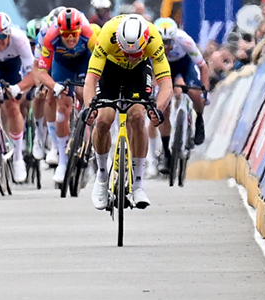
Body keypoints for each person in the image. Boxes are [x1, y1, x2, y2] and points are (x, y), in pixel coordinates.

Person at [82, 14, 172, 210]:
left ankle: (138, 183)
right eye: (127, 52)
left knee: (138, 117)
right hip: (110, 68)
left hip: (138, 72)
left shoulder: (153, 39)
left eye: (136, 52)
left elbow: (166, 84)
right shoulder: (107, 34)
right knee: (104, 119)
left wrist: (157, 109)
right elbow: (90, 80)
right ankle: (102, 176)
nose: (131, 57)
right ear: (119, 41)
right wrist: (90, 108)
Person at [30, 7, 96, 182]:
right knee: (61, 102)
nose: (71, 38)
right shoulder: (49, 36)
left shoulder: (89, 33)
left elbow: (100, 62)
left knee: (84, 93)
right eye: (66, 35)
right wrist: (55, 86)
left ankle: (88, 144)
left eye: (74, 33)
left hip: (84, 62)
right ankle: (63, 160)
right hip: (62, 64)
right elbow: (42, 71)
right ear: (59, 32)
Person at [0, 12, 35, 181]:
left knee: (12, 104)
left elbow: (34, 73)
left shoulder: (19, 39)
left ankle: (18, 158)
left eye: (2, 36)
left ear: (9, 33)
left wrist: (18, 88)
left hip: (11, 65)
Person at [153, 18, 210, 168]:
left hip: (184, 65)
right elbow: (150, 71)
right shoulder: (150, 43)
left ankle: (199, 119)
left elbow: (203, 67)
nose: (167, 45)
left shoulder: (184, 39)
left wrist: (205, 92)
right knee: (163, 108)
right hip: (162, 67)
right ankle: (166, 153)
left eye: (169, 41)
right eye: (163, 42)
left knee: (195, 93)